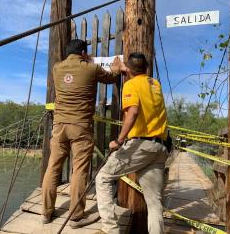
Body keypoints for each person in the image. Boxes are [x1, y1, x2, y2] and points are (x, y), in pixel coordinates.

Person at [41, 39, 123, 228]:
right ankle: (76, 216)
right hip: (80, 127)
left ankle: (46, 213)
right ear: (84, 53)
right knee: (79, 170)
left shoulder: (56, 68)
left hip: (59, 126)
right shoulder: (91, 68)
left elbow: (73, 72)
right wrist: (116, 67)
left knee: (53, 167)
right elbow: (111, 77)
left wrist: (86, 60)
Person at [95, 52, 169, 234]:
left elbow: (133, 112)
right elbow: (140, 78)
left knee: (102, 178)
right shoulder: (155, 84)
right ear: (146, 68)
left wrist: (119, 141)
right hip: (159, 147)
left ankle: (110, 230)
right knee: (154, 202)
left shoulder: (130, 84)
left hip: (140, 146)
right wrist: (126, 69)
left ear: (129, 69)